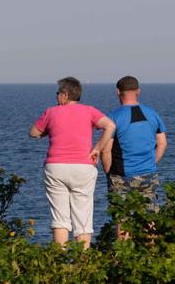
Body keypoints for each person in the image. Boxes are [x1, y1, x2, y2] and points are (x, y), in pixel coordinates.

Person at [29, 77, 115, 247]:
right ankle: (82, 264)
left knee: (60, 218)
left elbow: (33, 132)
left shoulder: (51, 112)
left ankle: (60, 263)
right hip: (83, 166)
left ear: (65, 95)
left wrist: (48, 131)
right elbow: (110, 126)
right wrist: (97, 148)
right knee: (83, 218)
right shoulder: (89, 111)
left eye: (58, 93)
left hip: (56, 167)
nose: (56, 97)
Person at [100, 76, 168, 231]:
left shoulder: (113, 117)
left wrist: (109, 171)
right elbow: (162, 143)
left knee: (121, 219)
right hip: (148, 175)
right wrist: (152, 162)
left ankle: (124, 252)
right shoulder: (152, 114)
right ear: (138, 91)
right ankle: (151, 250)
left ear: (118, 92)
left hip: (121, 176)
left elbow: (105, 150)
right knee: (150, 218)